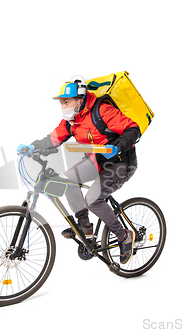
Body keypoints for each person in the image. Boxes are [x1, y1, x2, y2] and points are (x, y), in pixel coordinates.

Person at [17, 78, 140, 264]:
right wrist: (32, 147)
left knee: (92, 199)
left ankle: (124, 236)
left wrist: (118, 147)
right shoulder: (72, 121)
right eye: (61, 103)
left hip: (120, 163)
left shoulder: (102, 111)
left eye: (67, 102)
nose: (63, 106)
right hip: (96, 161)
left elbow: (133, 129)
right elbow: (53, 139)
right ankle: (85, 227)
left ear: (80, 100)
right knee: (67, 182)